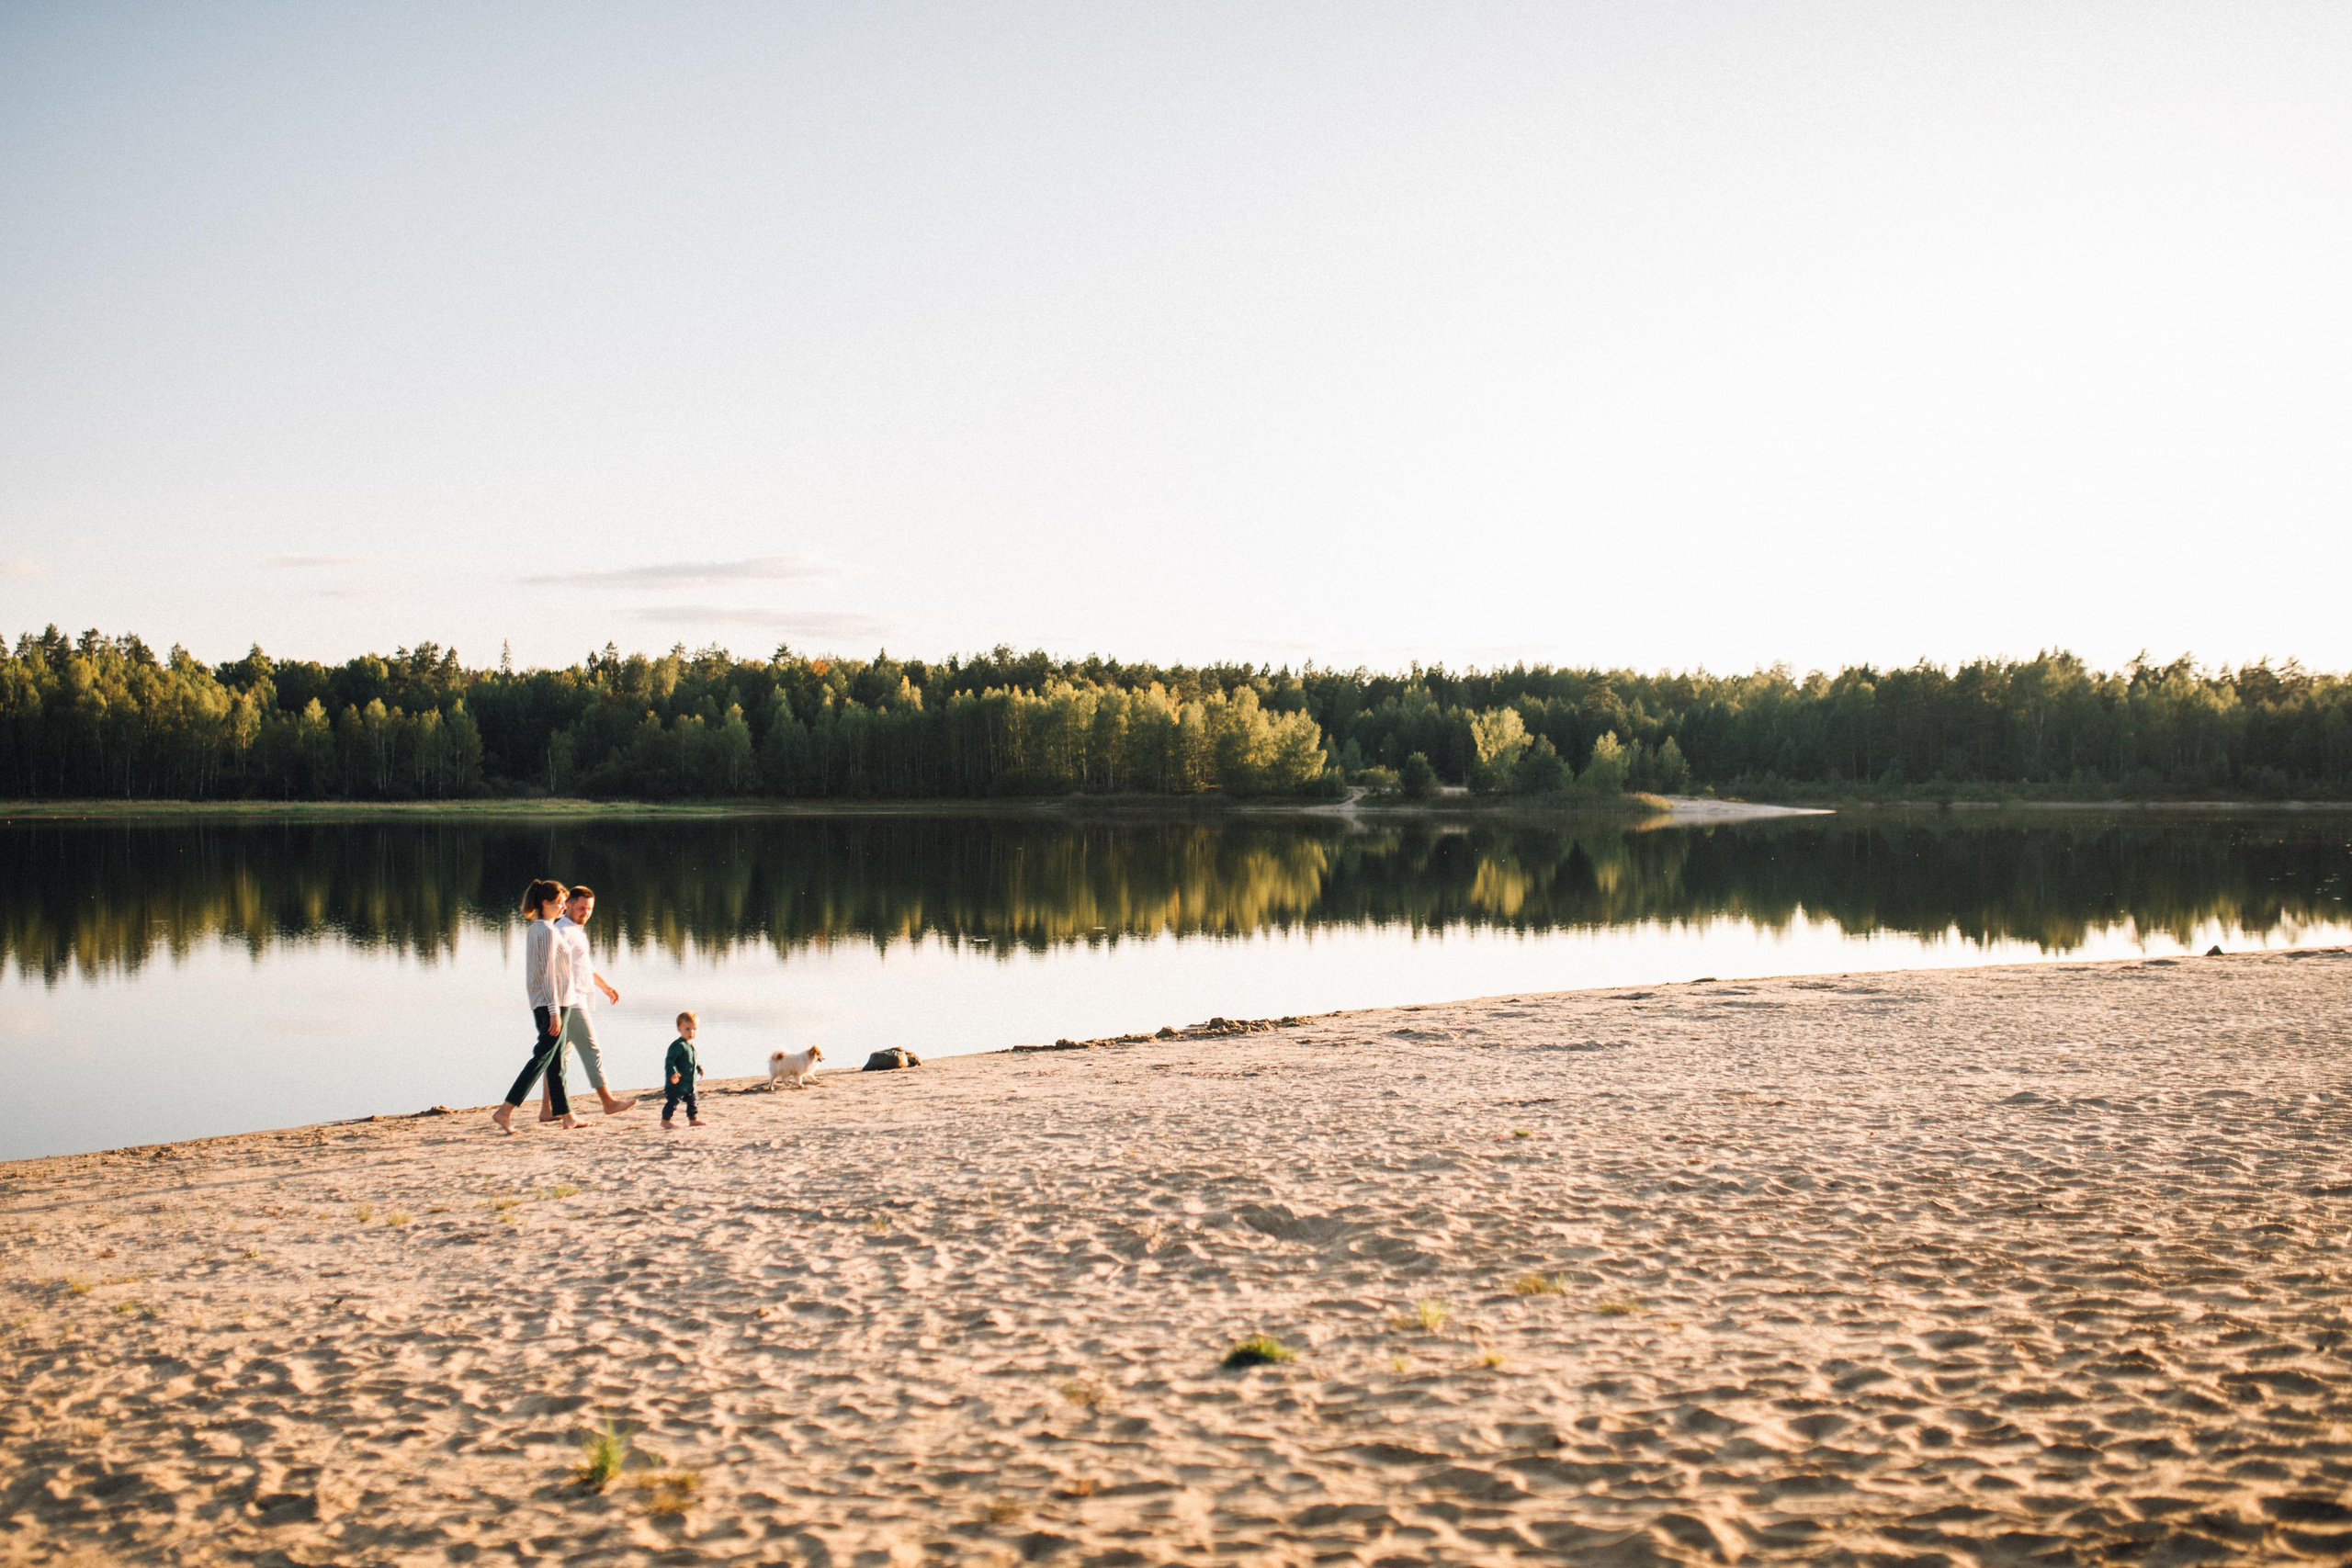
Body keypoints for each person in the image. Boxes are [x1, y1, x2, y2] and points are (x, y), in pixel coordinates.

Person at [492, 878, 580, 1134]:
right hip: (552, 1004)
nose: (564, 908)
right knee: (542, 1057)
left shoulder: (541, 929)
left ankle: (566, 1116)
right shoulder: (546, 931)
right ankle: (505, 1110)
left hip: (554, 1002)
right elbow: (546, 974)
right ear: (546, 903)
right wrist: (554, 1011)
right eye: (560, 903)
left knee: (555, 1063)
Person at [545, 885, 639, 1117]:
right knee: (591, 1049)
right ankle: (608, 1101)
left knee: (558, 1058)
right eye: (581, 908)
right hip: (571, 1002)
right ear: (567, 905)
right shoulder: (563, 932)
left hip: (574, 1000)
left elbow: (584, 967)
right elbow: (551, 968)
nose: (585, 912)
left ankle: (547, 1110)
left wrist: (604, 986)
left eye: (589, 909)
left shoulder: (575, 929)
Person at [662, 1010, 705, 1130]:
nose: (691, 1032)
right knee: (673, 1103)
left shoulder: (691, 1045)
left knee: (693, 1101)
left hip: (690, 1083)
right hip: (677, 1084)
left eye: (694, 1029)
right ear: (679, 1028)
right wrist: (673, 1073)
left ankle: (693, 1119)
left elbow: (693, 1060)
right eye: (687, 1029)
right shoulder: (678, 1045)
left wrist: (699, 1068)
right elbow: (670, 1061)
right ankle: (665, 1121)